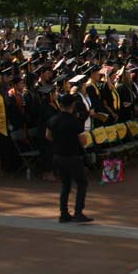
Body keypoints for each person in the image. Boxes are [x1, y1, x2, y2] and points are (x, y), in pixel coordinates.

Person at [46, 92, 93, 223]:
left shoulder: (53, 120)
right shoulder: (75, 121)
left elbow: (48, 136)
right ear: (72, 105)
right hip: (72, 156)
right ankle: (78, 211)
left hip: (58, 155)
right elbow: (83, 141)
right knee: (82, 183)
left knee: (65, 185)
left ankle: (63, 213)